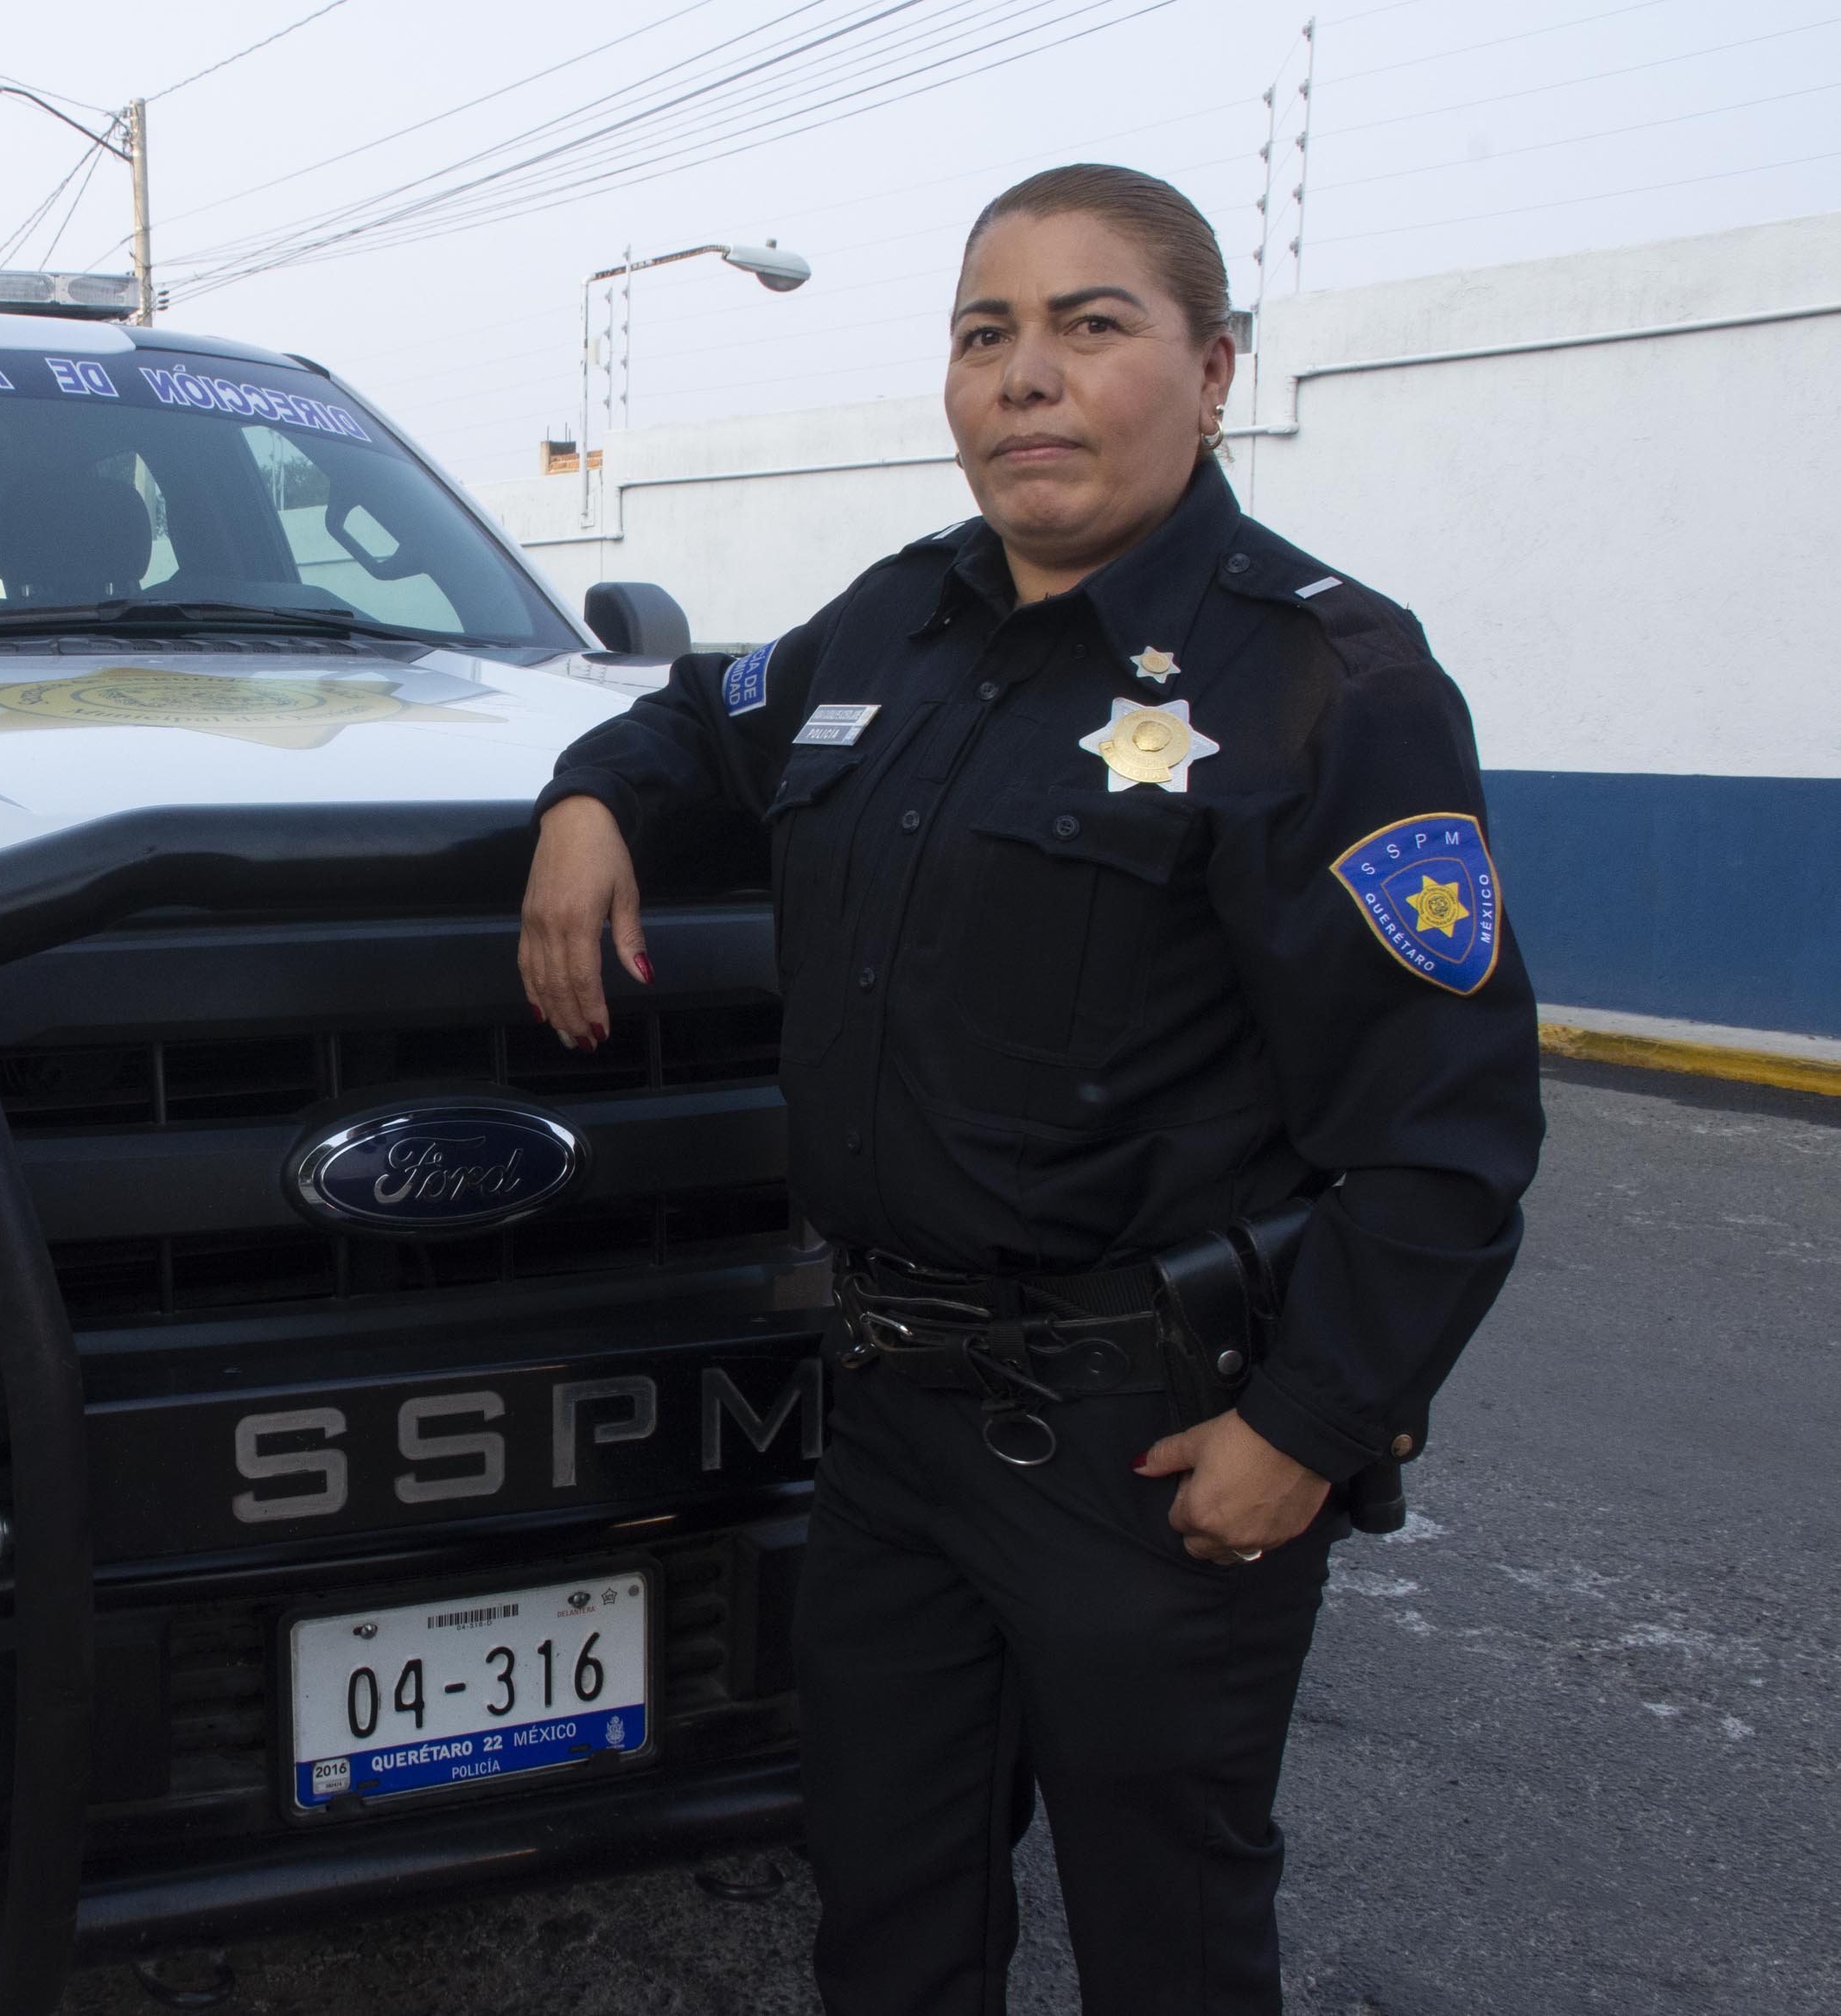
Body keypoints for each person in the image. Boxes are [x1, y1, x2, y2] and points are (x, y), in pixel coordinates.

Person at [518, 164, 1544, 2013]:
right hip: (893, 1420)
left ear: (1212, 369)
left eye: (1091, 325)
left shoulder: (1325, 681)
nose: (1025, 377)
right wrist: (591, 801)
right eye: (985, 333)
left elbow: (1447, 1128)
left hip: (1146, 1445)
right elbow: (695, 713)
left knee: (1168, 1936)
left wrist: (1305, 1429)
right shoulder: (893, 626)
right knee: (884, 1910)